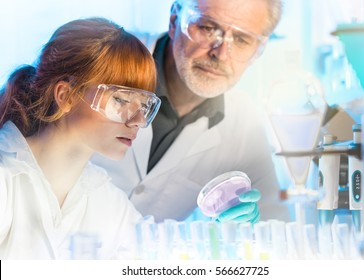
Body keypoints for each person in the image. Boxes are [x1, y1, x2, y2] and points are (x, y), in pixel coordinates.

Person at [92, 0, 290, 223]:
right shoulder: (103, 59)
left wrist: (241, 233)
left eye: (242, 39)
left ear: (258, 51)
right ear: (175, 20)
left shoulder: (243, 123)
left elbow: (274, 225)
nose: (221, 53)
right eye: (207, 28)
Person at [0, 17, 161, 259]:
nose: (137, 120)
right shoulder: (6, 179)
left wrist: (222, 218)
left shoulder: (104, 199)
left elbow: (163, 253)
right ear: (66, 96)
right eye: (121, 100)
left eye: (145, 106)